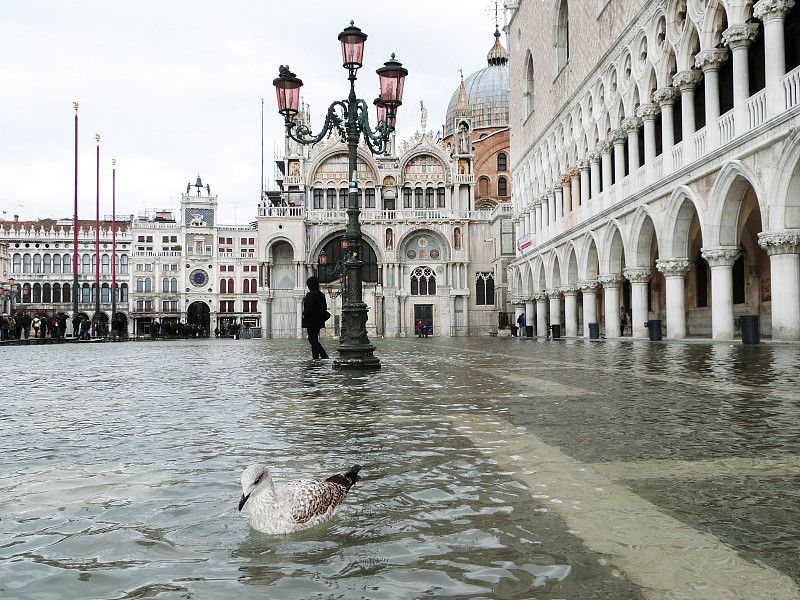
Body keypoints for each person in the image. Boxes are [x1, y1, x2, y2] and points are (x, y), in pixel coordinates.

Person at [302, 276, 329, 359]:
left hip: (311, 321)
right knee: (314, 340)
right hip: (319, 320)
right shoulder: (321, 295)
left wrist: (304, 314)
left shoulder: (310, 295)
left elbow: (309, 308)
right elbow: (324, 307)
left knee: (312, 340)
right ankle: (317, 356)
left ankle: (322, 355)